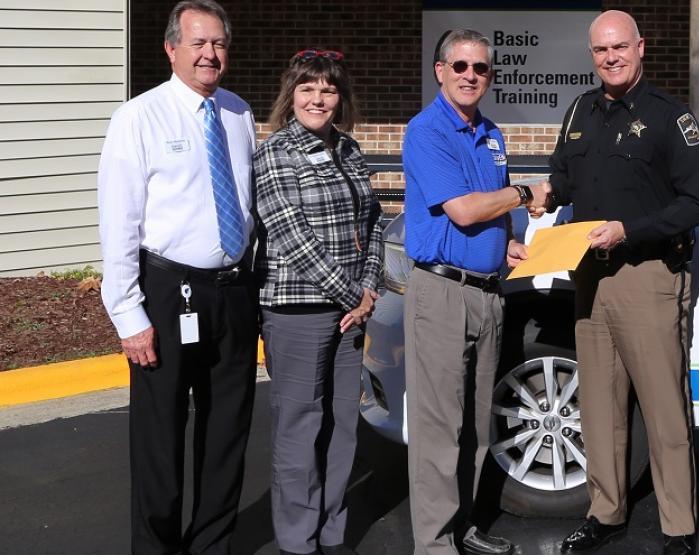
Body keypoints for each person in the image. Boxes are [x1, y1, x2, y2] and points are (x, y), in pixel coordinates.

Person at [519, 10, 699, 555]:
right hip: (589, 276)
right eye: (601, 50)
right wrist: (547, 192)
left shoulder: (670, 117)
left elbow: (698, 204)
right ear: (592, 54)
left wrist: (630, 230)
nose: (611, 58)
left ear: (640, 47)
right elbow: (565, 174)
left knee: (663, 407)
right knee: (600, 407)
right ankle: (606, 512)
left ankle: (679, 527)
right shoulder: (581, 109)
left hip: (647, 275)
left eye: (620, 48)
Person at [96, 1, 257, 552]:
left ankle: (212, 543)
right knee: (161, 437)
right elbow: (119, 221)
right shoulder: (138, 117)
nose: (210, 54)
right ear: (171, 49)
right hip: (167, 294)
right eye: (198, 43)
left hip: (233, 292)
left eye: (218, 43)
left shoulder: (238, 113)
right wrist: (128, 314)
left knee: (227, 432)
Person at [401, 28, 546, 555]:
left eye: (480, 68)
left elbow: (489, 215)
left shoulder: (492, 134)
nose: (470, 76)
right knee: (439, 429)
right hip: (441, 294)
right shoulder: (426, 131)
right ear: (440, 70)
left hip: (487, 292)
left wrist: (503, 246)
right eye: (459, 66)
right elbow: (463, 209)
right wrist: (526, 192)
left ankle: (463, 527)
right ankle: (435, 545)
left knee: (475, 425)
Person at [252, 48, 384, 555]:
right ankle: (297, 538)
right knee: (299, 425)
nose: (319, 98)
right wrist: (355, 294)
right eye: (308, 88)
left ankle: (332, 531)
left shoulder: (349, 149)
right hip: (298, 310)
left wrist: (369, 287)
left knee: (342, 425)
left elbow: (370, 222)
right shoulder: (275, 153)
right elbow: (290, 236)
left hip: (352, 310)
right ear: (292, 96)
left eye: (328, 89)